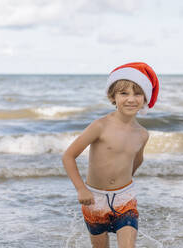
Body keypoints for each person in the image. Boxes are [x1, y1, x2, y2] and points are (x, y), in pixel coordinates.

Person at [62, 62, 159, 248]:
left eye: (137, 93)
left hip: (125, 198)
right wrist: (81, 189)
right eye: (124, 93)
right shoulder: (100, 126)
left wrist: (122, 183)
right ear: (113, 96)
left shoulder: (142, 134)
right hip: (94, 199)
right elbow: (68, 156)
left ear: (145, 98)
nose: (131, 99)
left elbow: (136, 161)